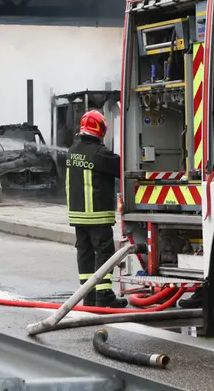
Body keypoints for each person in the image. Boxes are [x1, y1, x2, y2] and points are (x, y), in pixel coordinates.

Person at [65, 110, 127, 308]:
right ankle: (104, 295)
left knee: (84, 253)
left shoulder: (72, 150)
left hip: (77, 216)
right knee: (104, 253)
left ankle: (88, 296)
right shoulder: (100, 153)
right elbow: (122, 168)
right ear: (100, 129)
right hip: (97, 216)